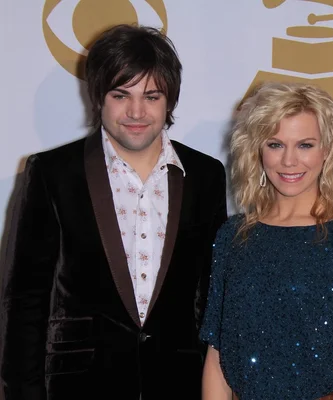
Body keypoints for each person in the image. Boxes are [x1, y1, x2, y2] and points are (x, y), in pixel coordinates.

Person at [0, 24, 227, 400]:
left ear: (169, 100)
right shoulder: (52, 172)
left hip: (178, 384)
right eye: (121, 94)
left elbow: (211, 296)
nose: (136, 111)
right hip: (77, 387)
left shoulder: (205, 175)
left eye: (151, 96)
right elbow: (23, 302)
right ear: (98, 96)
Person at [200, 82, 333, 399]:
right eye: (275, 144)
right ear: (257, 150)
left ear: (328, 151)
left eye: (305, 145)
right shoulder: (234, 237)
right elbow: (217, 355)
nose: (289, 160)